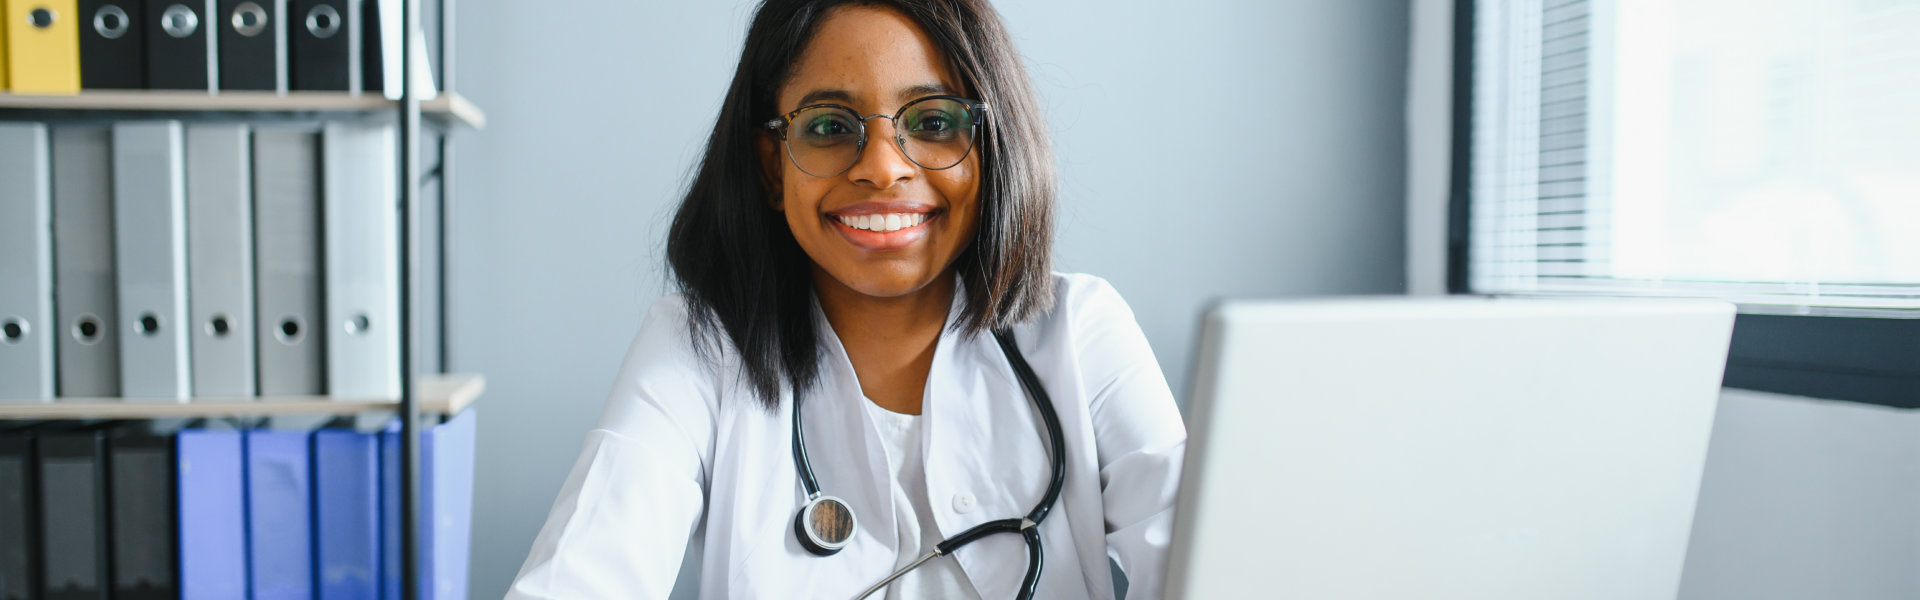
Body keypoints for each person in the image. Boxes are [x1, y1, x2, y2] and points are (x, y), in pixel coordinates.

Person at [505, 0, 1185, 597]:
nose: (883, 167)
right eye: (829, 128)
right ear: (773, 167)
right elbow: (582, 573)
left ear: (991, 147)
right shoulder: (696, 349)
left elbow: (1214, 572)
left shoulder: (1082, 332)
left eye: (935, 121)